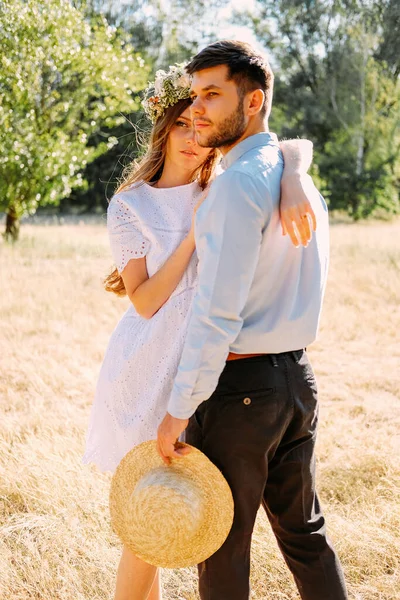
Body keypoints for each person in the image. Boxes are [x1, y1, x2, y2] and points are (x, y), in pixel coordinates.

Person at [83, 63, 318, 600]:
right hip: (147, 365)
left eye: (200, 125)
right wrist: (192, 236)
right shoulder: (131, 206)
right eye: (181, 126)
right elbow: (144, 302)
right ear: (163, 129)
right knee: (150, 519)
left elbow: (281, 146)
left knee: (171, 516)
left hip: (199, 368)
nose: (194, 137)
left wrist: (297, 173)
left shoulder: (227, 185)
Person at [157, 42, 348, 600]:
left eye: (213, 94)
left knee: (220, 543)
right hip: (295, 382)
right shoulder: (297, 181)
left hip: (241, 389)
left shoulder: (239, 186)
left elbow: (217, 314)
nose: (196, 108)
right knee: (306, 536)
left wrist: (179, 407)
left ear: (254, 99)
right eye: (194, 94)